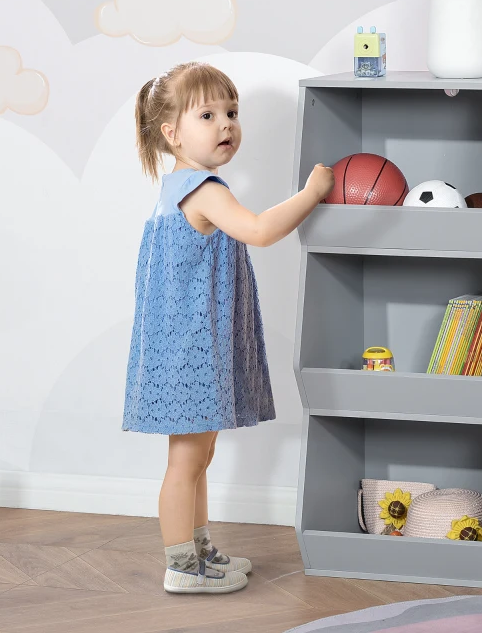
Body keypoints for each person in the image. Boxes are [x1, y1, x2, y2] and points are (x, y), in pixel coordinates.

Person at [122, 62, 334, 594]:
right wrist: (311, 193)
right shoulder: (202, 188)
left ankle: (198, 549)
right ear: (172, 133)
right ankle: (180, 565)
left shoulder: (178, 185)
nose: (226, 126)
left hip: (188, 345)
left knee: (200, 455)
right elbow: (259, 231)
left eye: (232, 113)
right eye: (209, 114)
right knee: (187, 459)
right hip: (190, 348)